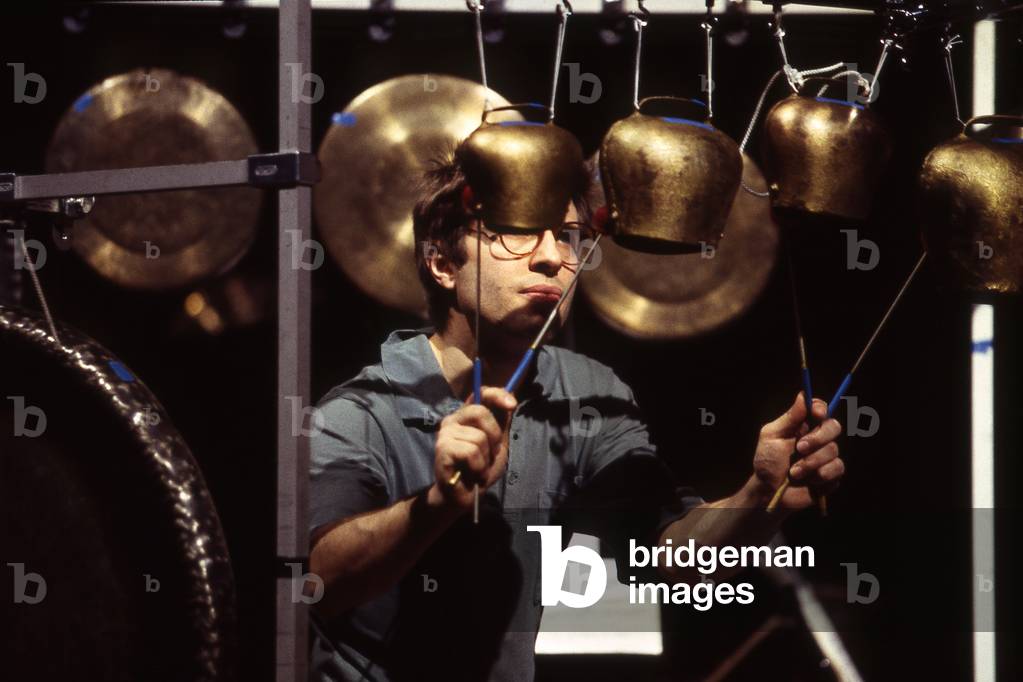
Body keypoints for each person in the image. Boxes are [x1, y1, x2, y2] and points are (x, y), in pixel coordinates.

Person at [307, 151, 845, 682]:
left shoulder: (588, 393)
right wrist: (439, 504)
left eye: (565, 235)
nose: (550, 257)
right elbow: (318, 585)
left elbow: (663, 558)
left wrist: (758, 496)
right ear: (442, 263)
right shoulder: (360, 409)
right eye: (514, 230)